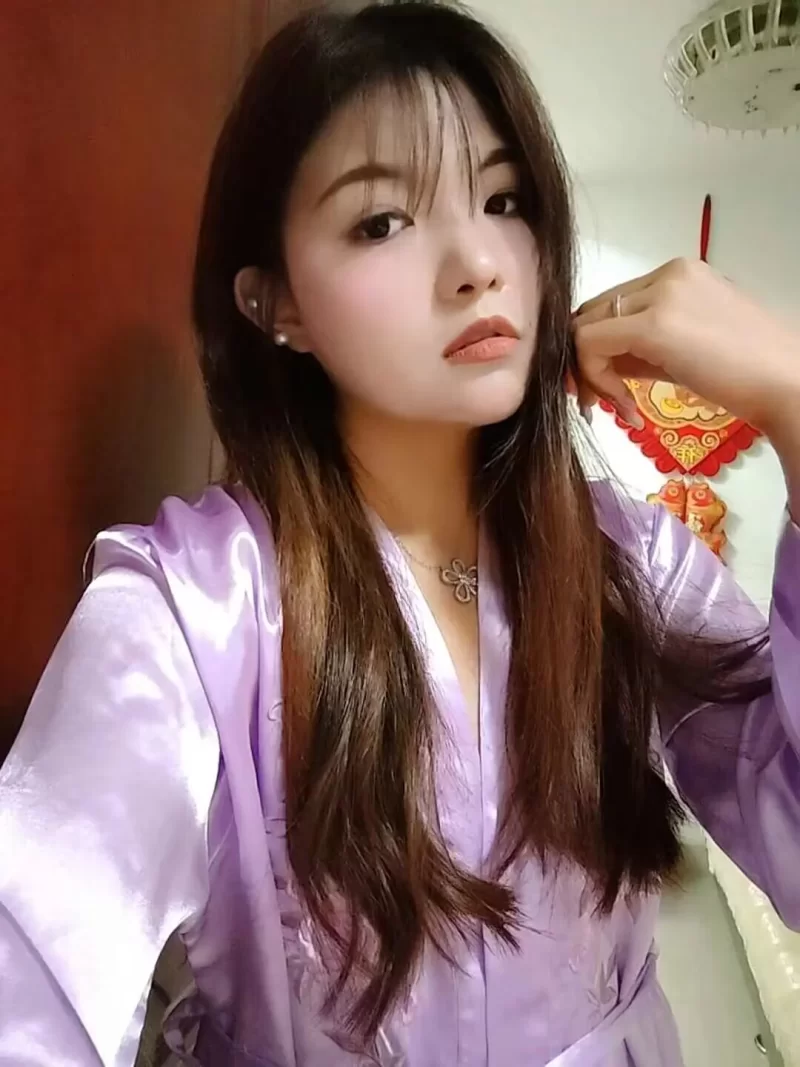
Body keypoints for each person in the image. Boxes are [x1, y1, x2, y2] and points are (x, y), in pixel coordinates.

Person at [1, 3, 799, 1065]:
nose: (477, 262)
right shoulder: (197, 612)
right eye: (381, 221)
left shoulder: (628, 562)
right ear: (276, 303)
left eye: (502, 199)